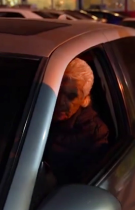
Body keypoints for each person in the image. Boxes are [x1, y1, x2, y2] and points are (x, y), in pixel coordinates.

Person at [45, 58, 109, 186]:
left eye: (71, 96)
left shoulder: (93, 133)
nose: (61, 102)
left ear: (85, 99)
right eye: (58, 91)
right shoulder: (32, 112)